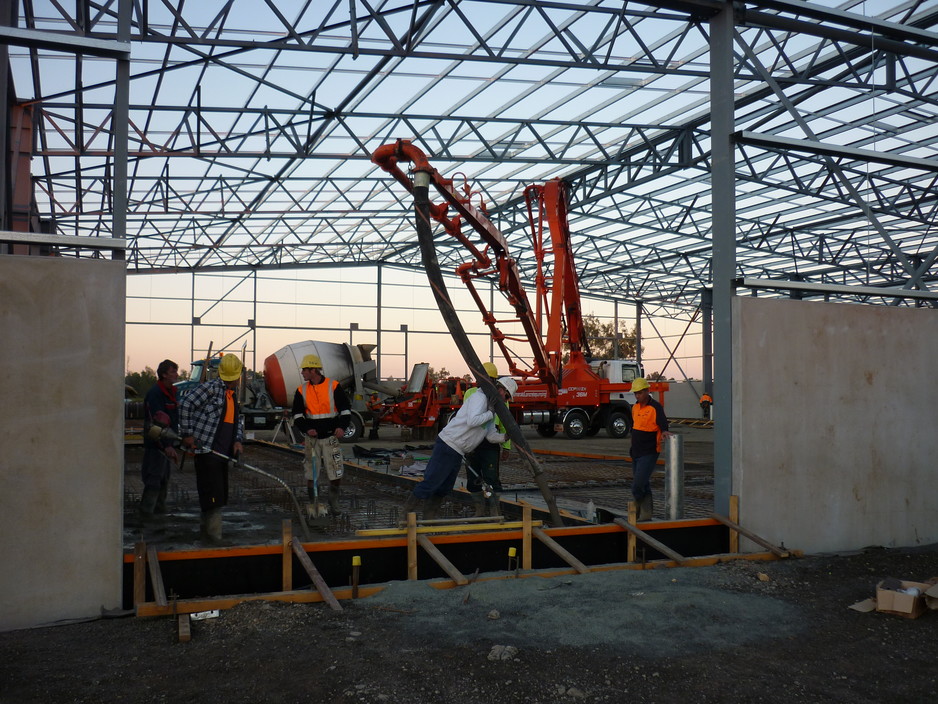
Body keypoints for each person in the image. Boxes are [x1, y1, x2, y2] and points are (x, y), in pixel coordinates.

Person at [402, 376, 517, 520]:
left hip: (458, 451)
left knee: (444, 487)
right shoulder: (480, 398)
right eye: (506, 396)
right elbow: (472, 421)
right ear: (500, 389)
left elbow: (489, 435)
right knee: (431, 482)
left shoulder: (491, 409)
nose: (506, 400)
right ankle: (404, 518)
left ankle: (428, 519)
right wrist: (490, 412)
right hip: (448, 445)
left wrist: (505, 437)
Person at [179, 353, 245, 545]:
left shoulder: (231, 395)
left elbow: (236, 421)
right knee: (212, 496)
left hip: (221, 454)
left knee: (217, 495)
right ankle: (214, 538)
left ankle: (208, 533)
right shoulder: (210, 389)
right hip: (207, 452)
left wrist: (238, 440)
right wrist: (188, 434)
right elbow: (185, 404)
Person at [291, 354, 350, 514]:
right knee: (311, 472)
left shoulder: (333, 386)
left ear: (314, 370)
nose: (302, 372)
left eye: (304, 369)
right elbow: (297, 414)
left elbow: (345, 410)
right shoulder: (301, 390)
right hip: (312, 439)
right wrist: (306, 429)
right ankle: (314, 503)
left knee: (336, 470)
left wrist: (342, 427)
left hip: (330, 437)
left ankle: (333, 501)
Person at [463, 362, 510, 517]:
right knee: (473, 478)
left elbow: (505, 425)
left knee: (491, 478)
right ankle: (480, 509)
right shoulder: (470, 393)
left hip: (491, 442)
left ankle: (494, 510)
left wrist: (507, 446)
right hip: (473, 442)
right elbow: (466, 419)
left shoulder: (502, 398)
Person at [139, 359, 180, 527]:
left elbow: (173, 420)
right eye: (173, 372)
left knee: (163, 480)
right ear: (164, 374)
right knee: (154, 480)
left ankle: (158, 517)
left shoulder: (172, 393)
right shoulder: (155, 394)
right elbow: (157, 424)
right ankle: (146, 519)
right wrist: (166, 446)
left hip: (166, 444)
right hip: (155, 446)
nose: (176, 375)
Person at [629, 377, 671, 522]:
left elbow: (663, 422)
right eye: (635, 393)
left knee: (638, 484)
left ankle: (640, 507)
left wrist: (665, 431)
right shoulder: (634, 408)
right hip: (636, 451)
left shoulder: (655, 407)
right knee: (643, 483)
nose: (637, 396)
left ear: (647, 391)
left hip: (649, 451)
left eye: (639, 393)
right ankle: (646, 514)